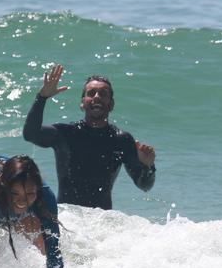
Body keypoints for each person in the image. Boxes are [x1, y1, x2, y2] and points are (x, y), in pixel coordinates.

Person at [23, 63, 156, 210]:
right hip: (68, 218)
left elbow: (144, 185)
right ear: (82, 104)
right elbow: (30, 134)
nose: (97, 97)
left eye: (103, 94)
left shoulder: (121, 140)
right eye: (91, 93)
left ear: (111, 104)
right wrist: (42, 97)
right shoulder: (65, 134)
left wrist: (148, 166)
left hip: (101, 220)